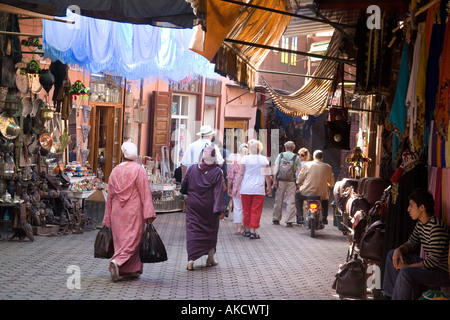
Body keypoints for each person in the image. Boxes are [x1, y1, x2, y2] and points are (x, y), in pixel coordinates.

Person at [102, 141, 156, 282]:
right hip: (133, 212)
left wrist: (107, 217)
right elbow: (145, 193)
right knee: (133, 240)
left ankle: (129, 270)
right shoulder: (139, 170)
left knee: (121, 241)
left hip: (117, 212)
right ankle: (117, 262)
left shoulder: (115, 171)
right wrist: (149, 213)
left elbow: (110, 196)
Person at [382, 188, 450, 300]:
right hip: (430, 267)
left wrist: (408, 266)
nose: (408, 209)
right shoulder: (421, 224)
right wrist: (399, 249)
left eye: (411, 205)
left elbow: (433, 261)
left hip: (441, 272)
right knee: (391, 255)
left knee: (405, 272)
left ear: (422, 207)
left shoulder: (436, 227)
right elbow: (412, 243)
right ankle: (391, 296)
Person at [182, 146, 225, 271]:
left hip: (193, 205)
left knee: (192, 230)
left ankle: (191, 260)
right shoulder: (217, 171)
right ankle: (210, 258)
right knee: (210, 231)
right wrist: (219, 209)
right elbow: (218, 192)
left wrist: (184, 192)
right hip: (209, 207)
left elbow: (185, 183)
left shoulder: (193, 168)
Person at [235, 139, 272, 240]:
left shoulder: (245, 159)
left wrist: (235, 187)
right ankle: (252, 231)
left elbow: (241, 174)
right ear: (260, 149)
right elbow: (267, 175)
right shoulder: (264, 159)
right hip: (259, 189)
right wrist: (269, 187)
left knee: (246, 209)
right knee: (256, 210)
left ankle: (246, 230)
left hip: (246, 188)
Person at [295, 150, 335, 225]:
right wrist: (329, 185)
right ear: (322, 158)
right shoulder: (327, 167)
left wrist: (299, 183)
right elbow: (331, 182)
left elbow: (300, 179)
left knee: (297, 195)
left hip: (307, 192)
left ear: (313, 157)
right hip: (321, 194)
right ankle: (324, 217)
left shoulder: (307, 165)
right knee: (325, 200)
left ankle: (300, 216)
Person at [272, 141, 302, 227]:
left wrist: (274, 180)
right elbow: (299, 172)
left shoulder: (280, 155)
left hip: (281, 180)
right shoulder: (296, 157)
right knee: (291, 201)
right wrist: (298, 183)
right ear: (293, 148)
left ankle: (276, 219)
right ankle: (289, 220)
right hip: (291, 181)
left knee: (279, 199)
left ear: (285, 147)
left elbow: (275, 168)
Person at [228, 143, 249, 235]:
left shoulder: (235, 162)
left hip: (237, 188)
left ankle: (239, 228)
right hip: (247, 188)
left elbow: (230, 177)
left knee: (237, 208)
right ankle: (246, 227)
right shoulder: (250, 162)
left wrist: (229, 188)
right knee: (246, 208)